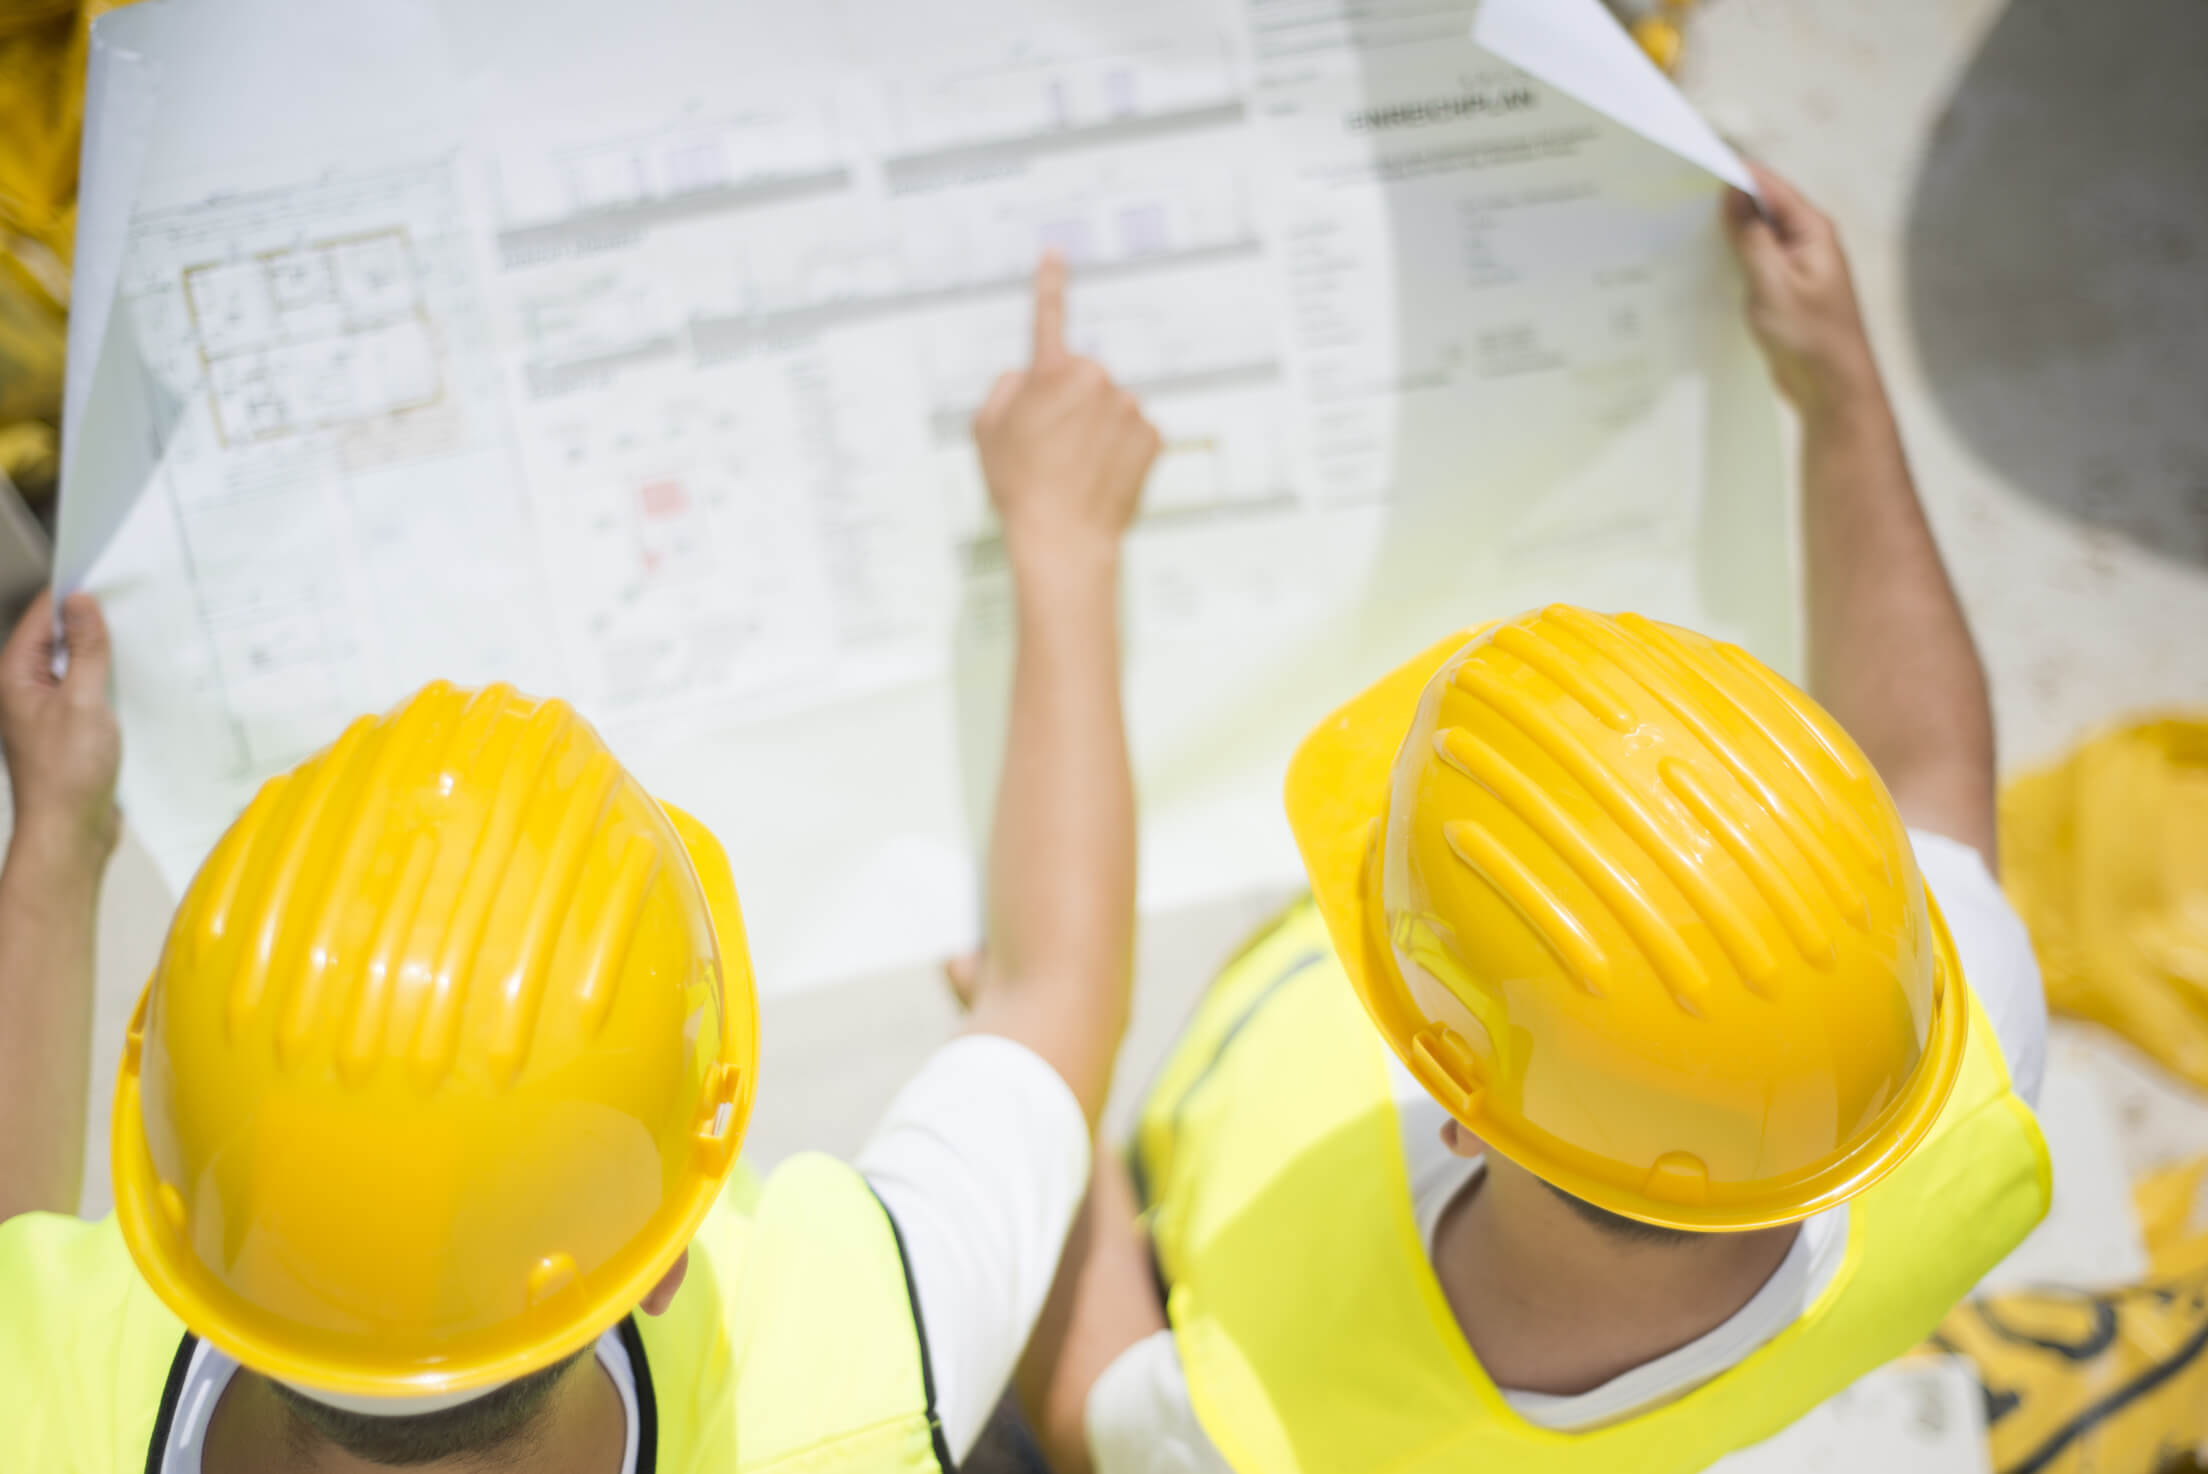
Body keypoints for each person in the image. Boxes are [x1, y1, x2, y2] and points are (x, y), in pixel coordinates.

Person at [0, 253, 1166, 1473]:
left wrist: (53, 856)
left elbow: (17, 1276)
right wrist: (1065, 541)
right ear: (665, 1262)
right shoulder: (851, 1368)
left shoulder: (36, 1402)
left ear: (174, 1210)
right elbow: (1053, 998)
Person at [1014, 162, 2054, 1474]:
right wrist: (1837, 389)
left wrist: (1057, 1082)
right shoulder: (1962, 1074)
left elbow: (1090, 1408)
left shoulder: (1268, 1432)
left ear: (1457, 1110)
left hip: (1186, 1140)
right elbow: (1935, 770)